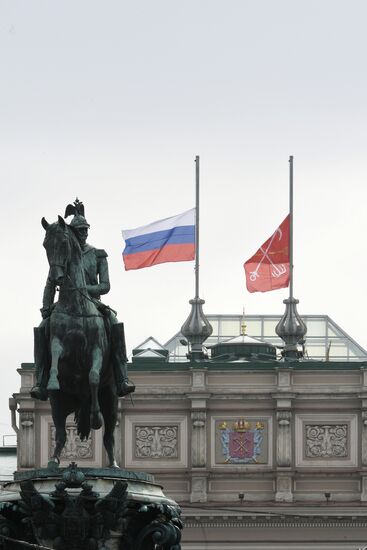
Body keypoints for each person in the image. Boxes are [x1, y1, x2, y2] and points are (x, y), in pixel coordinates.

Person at [30, 199, 135, 400]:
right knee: (43, 327)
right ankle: (41, 380)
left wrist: (83, 289)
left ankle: (122, 377)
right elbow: (50, 282)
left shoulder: (97, 255)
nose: (83, 233)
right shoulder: (63, 253)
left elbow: (105, 286)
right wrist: (45, 306)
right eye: (79, 230)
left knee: (114, 323)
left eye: (85, 229)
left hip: (92, 303)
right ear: (72, 232)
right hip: (64, 304)